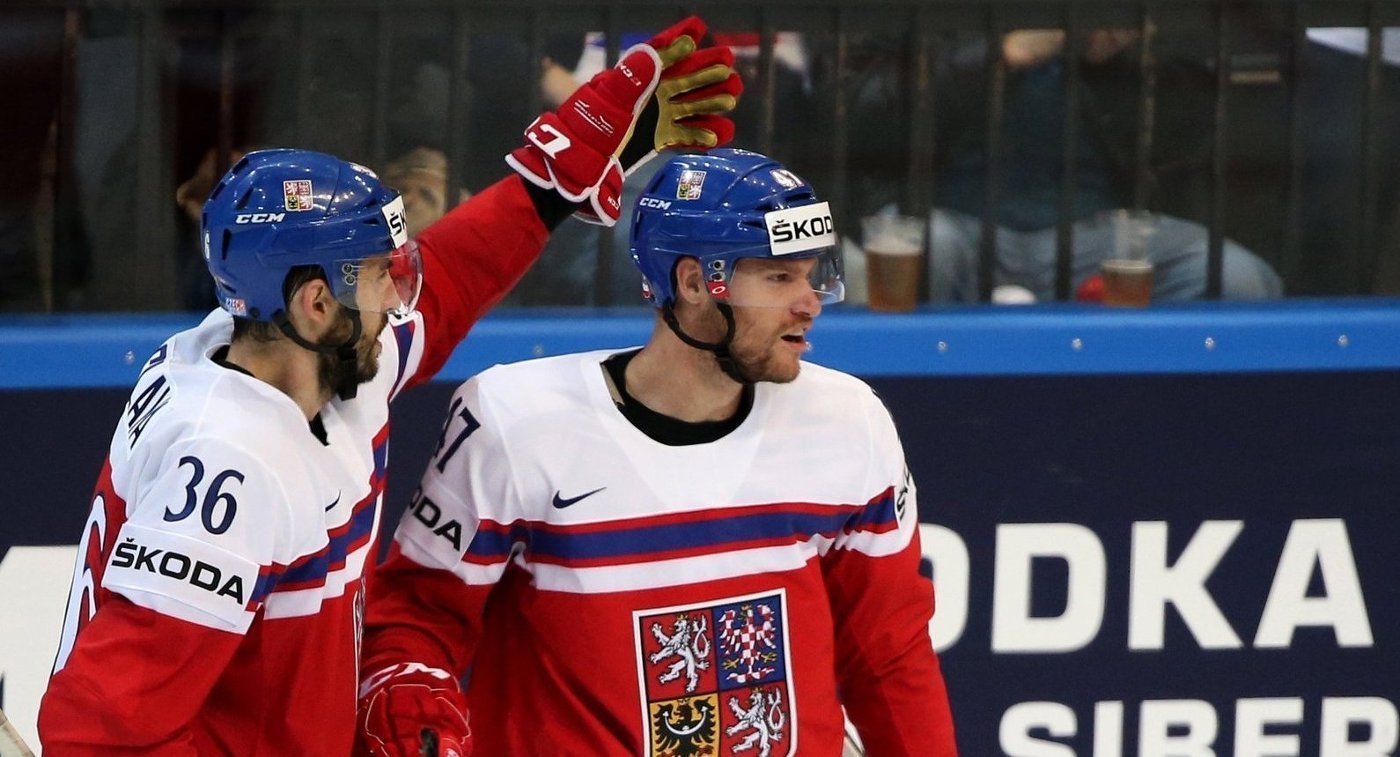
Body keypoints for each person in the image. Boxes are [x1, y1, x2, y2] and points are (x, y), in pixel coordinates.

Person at [37, 15, 740, 754]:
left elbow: (453, 279)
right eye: (381, 275)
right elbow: (97, 736)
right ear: (316, 302)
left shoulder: (291, 355)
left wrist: (552, 185)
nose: (402, 297)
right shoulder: (229, 465)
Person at [355, 149, 957, 756]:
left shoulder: (847, 421)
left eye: (812, 274)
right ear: (693, 282)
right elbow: (416, 621)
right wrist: (415, 708)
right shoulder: (518, 423)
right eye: (779, 278)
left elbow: (890, 655)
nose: (811, 303)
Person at [852, 29, 1283, 303]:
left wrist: (1125, 53)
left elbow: (1189, 134)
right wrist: (999, 54)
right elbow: (862, 112)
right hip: (948, 221)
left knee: (1238, 278)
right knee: (927, 249)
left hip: (1103, 234)